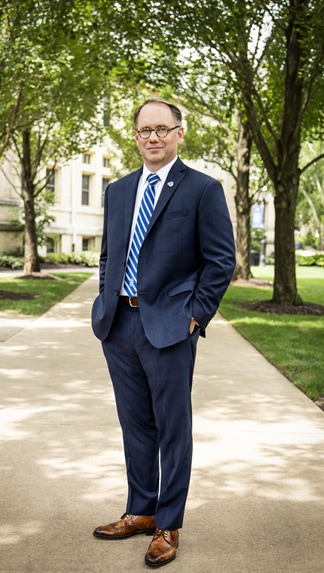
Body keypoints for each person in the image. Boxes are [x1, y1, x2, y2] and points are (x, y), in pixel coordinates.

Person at [91, 98, 236, 567]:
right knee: (135, 424)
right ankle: (141, 510)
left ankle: (169, 524)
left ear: (179, 133)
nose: (152, 137)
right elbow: (111, 255)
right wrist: (104, 300)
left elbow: (220, 261)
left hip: (171, 327)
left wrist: (195, 316)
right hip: (119, 324)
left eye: (161, 129)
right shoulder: (117, 190)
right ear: (135, 137)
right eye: (144, 130)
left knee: (173, 428)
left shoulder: (202, 189)